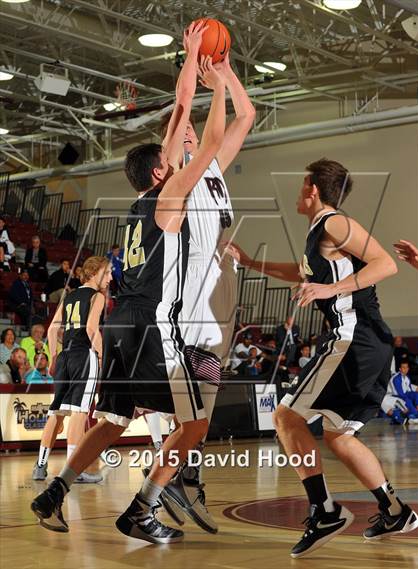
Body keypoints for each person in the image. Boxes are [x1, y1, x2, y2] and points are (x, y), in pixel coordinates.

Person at [31, 50, 226, 544]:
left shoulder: (137, 205)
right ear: (162, 172)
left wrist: (189, 67)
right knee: (196, 422)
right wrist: (219, 84)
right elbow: (211, 140)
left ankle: (55, 490)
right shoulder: (171, 194)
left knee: (114, 419)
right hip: (152, 326)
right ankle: (144, 506)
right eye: (170, 159)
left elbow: (180, 110)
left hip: (122, 321)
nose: (177, 155)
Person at [225, 158, 418, 557]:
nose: (299, 192)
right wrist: (249, 263)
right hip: (367, 342)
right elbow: (301, 275)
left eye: (301, 186)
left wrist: (332, 291)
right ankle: (395, 510)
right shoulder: (319, 235)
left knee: (285, 417)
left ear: (313, 189)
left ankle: (325, 510)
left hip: (354, 337)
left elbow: (384, 263)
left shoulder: (335, 223)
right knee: (339, 436)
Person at [155, 32, 254, 530]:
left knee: (205, 399)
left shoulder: (213, 166)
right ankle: (175, 480)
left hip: (211, 293)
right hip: (184, 296)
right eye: (184, 135)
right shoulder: (178, 167)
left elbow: (247, 116)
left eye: (195, 133)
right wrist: (195, 59)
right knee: (186, 405)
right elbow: (182, 104)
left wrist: (227, 69)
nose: (190, 134)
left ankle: (186, 477)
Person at [31, 256, 112, 484]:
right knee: (79, 413)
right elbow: (91, 329)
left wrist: (55, 356)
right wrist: (104, 356)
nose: (110, 277)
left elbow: (53, 328)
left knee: (56, 412)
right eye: (107, 273)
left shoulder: (69, 296)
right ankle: (72, 471)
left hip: (65, 356)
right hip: (83, 356)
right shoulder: (97, 296)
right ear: (94, 273)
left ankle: (40, 465)